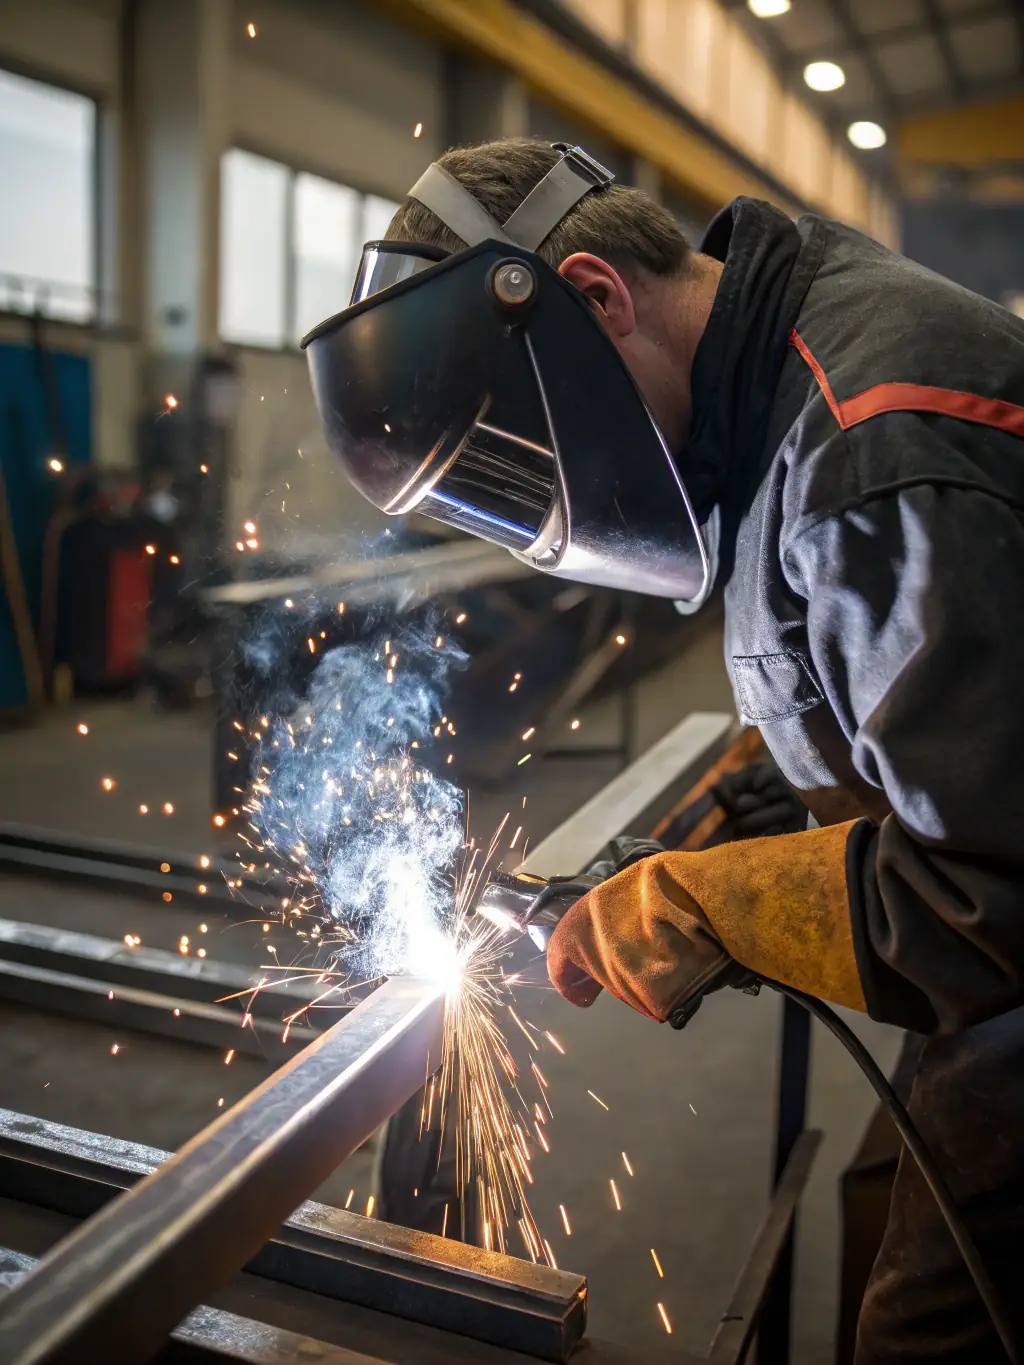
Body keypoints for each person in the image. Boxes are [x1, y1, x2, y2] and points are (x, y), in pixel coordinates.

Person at [302, 138, 1024, 1362]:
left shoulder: (866, 451)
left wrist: (719, 905)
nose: (555, 499)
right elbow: (903, 704)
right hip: (990, 1002)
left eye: (529, 456)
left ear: (594, 299)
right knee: (875, 1205)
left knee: (921, 1335)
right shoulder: (783, 373)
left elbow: (991, 898)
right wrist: (748, 808)